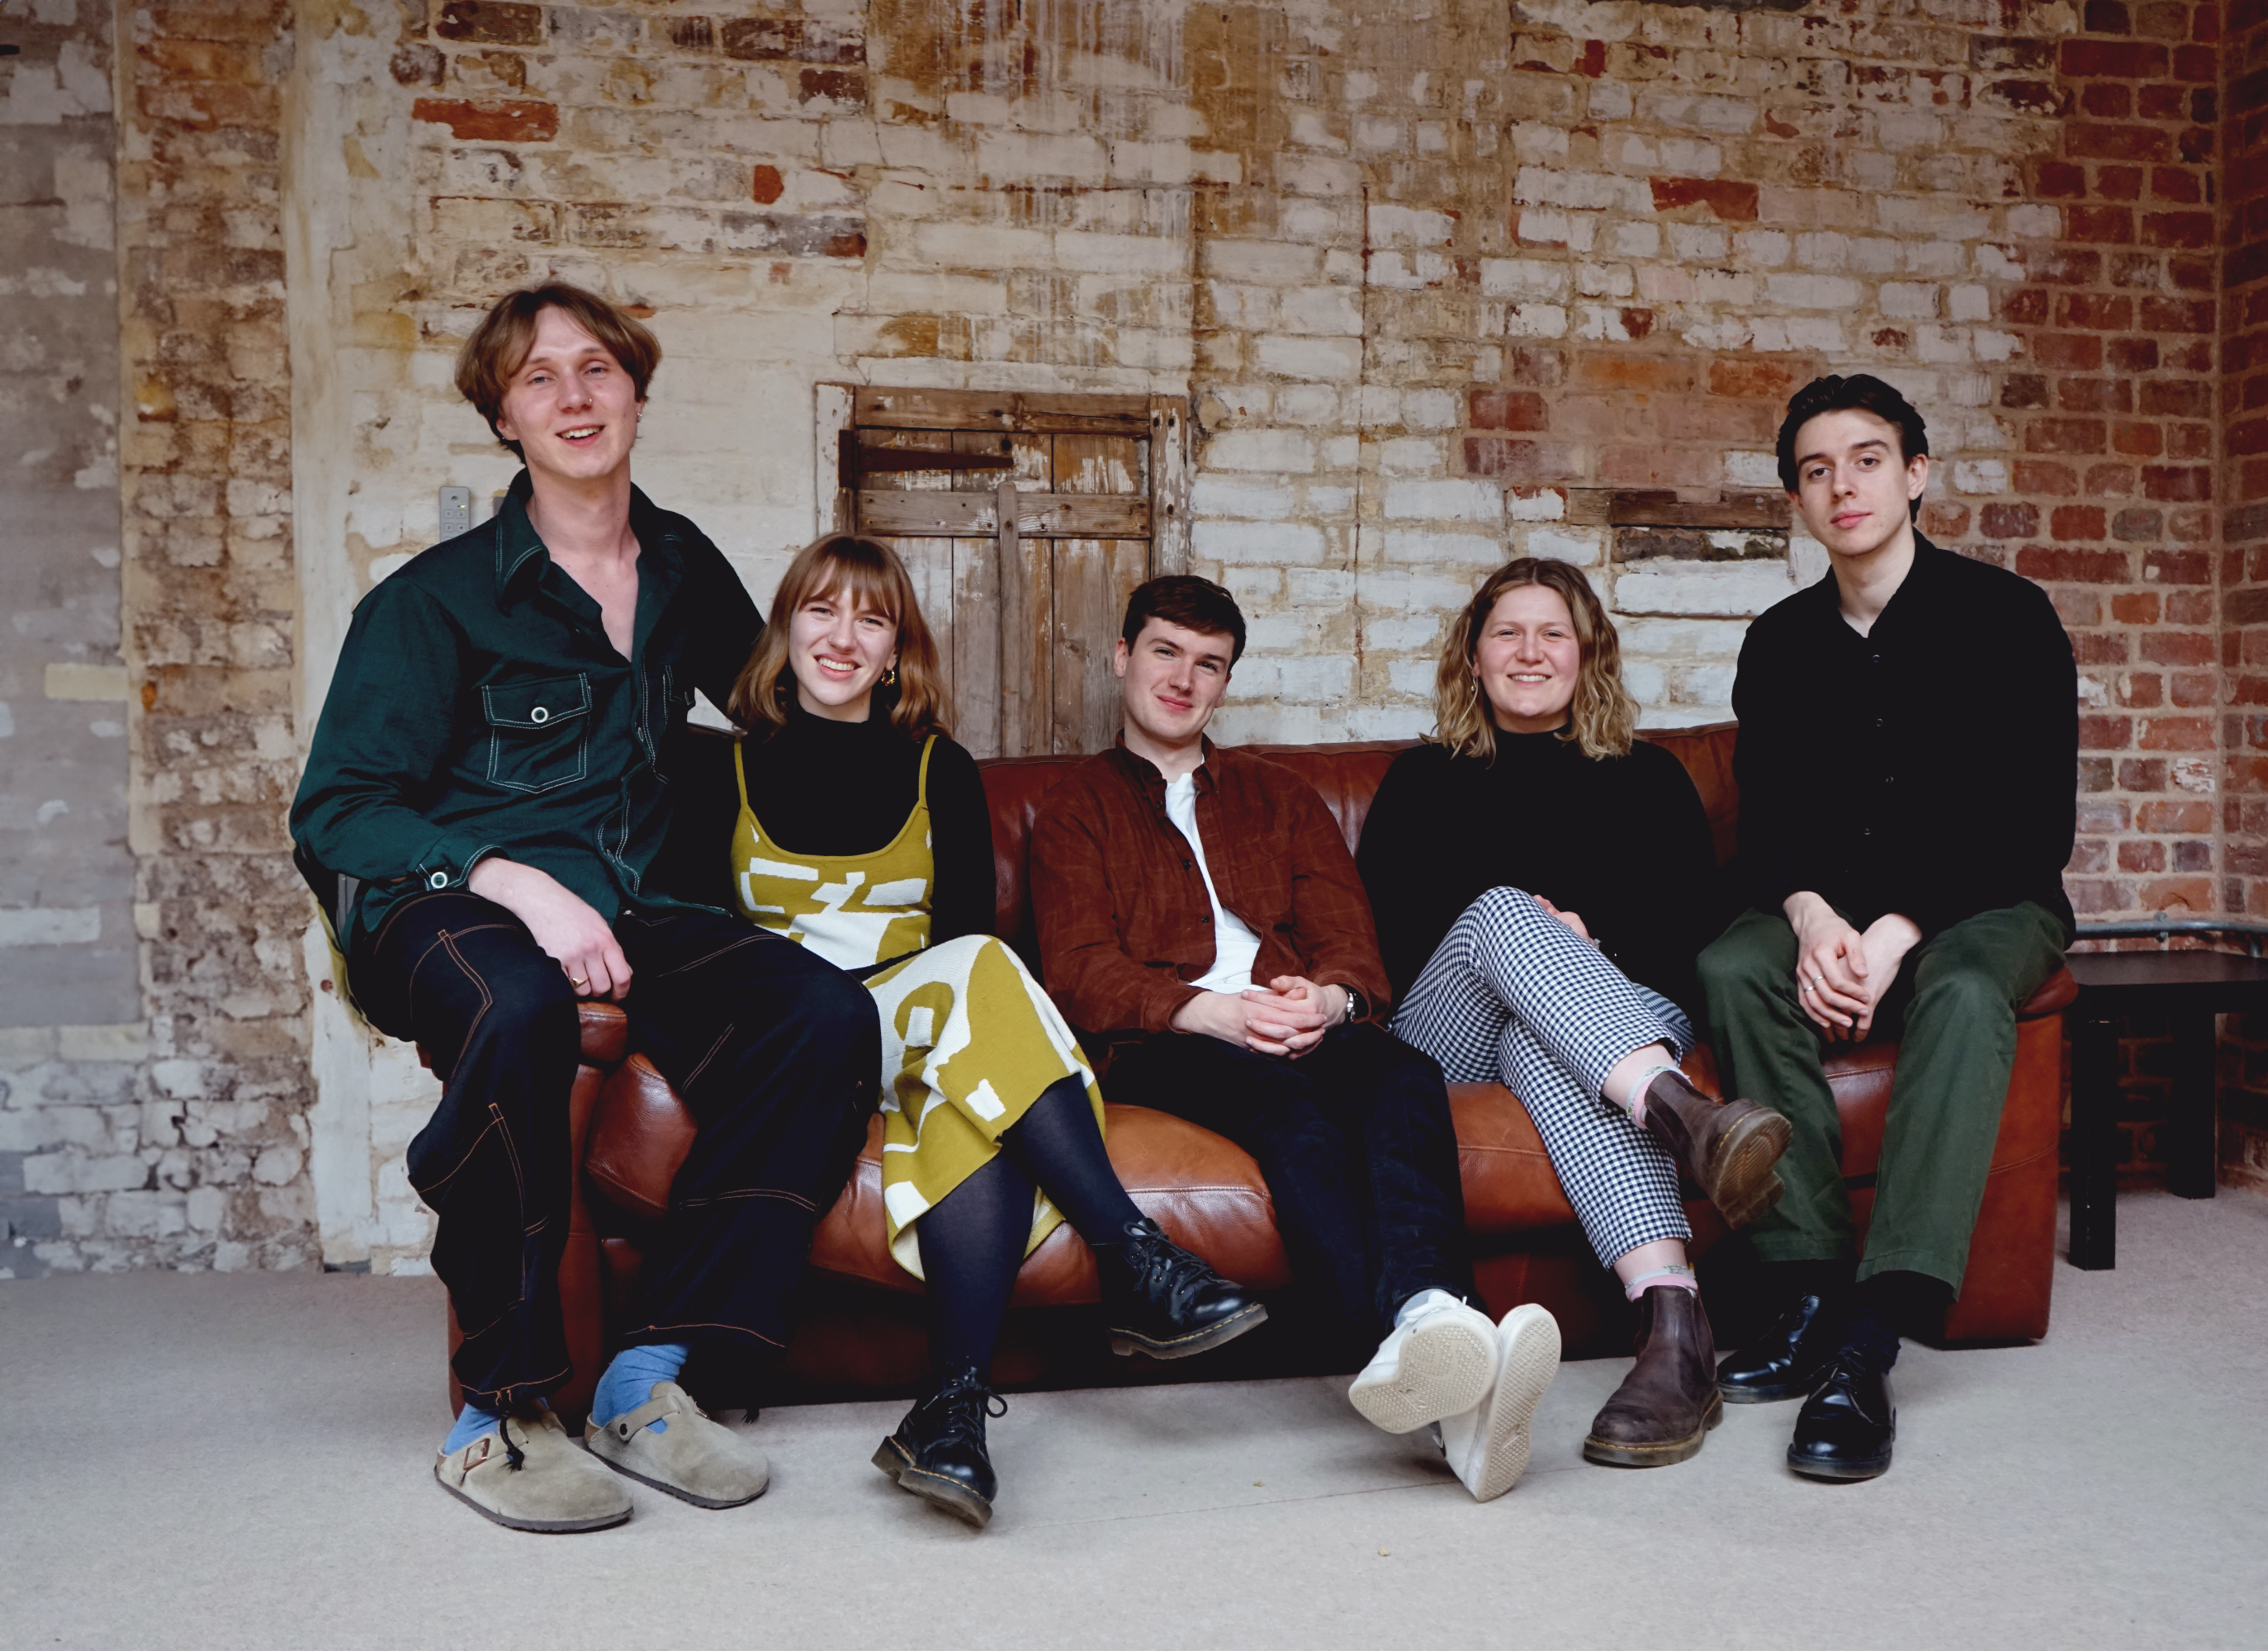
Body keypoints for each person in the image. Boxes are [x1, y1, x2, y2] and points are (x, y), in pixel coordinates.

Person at [291, 283, 883, 1533]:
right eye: (540, 377)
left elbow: (779, 720)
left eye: (598, 369)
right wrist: (508, 881)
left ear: (636, 394)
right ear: (503, 416)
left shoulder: (680, 566)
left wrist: (867, 667)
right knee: (516, 1009)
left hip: (635, 903)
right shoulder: (433, 602)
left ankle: (653, 1374)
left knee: (822, 1018)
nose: (574, 395)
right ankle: (496, 1410)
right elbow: (338, 812)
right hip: (446, 903)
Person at [656, 534, 1266, 1530]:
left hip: (922, 1029)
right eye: (821, 610)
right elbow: (701, 948)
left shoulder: (939, 764)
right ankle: (1131, 1253)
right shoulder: (718, 769)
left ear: (898, 647)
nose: (843, 637)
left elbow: (956, 935)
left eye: (872, 617)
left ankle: (950, 1414)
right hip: (801, 1048)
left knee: (972, 1095)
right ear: (786, 627)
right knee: (985, 975)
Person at [1029, 575, 1560, 1505]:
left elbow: (1352, 938)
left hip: (1298, 1016)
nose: (1184, 679)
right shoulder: (1075, 807)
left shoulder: (1279, 794)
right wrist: (1213, 1010)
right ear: (1121, 657)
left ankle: (1432, 1315)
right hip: (1175, 1037)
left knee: (1401, 1075)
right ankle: (1442, 1378)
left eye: (1209, 664)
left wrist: (1325, 997)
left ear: (1227, 681)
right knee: (1300, 1124)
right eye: (1164, 652)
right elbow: (1077, 969)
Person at [1697, 373, 2077, 1482]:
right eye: (1816, 470)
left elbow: (2031, 827)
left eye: (1866, 459)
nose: (1841, 485)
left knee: (1961, 992)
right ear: (1798, 502)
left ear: (1915, 474)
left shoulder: (2007, 617)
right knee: (1733, 963)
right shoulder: (1778, 643)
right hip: (1840, 912)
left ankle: (1873, 1331)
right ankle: (1807, 1283)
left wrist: (1900, 931)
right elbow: (1769, 831)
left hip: (1991, 906)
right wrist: (1813, 922)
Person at [1357, 557, 1792, 1471]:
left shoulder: (1650, 780)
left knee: (1542, 1034)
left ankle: (1674, 1324)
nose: (1529, 650)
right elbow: (1391, 952)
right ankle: (1685, 1116)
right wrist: (1530, 942)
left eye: (1553, 631)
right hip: (1451, 1033)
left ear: (1587, 650)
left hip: (1604, 1019)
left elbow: (1690, 941)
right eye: (1507, 631)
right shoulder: (1419, 782)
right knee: (1506, 913)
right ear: (1472, 657)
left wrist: (1592, 943)